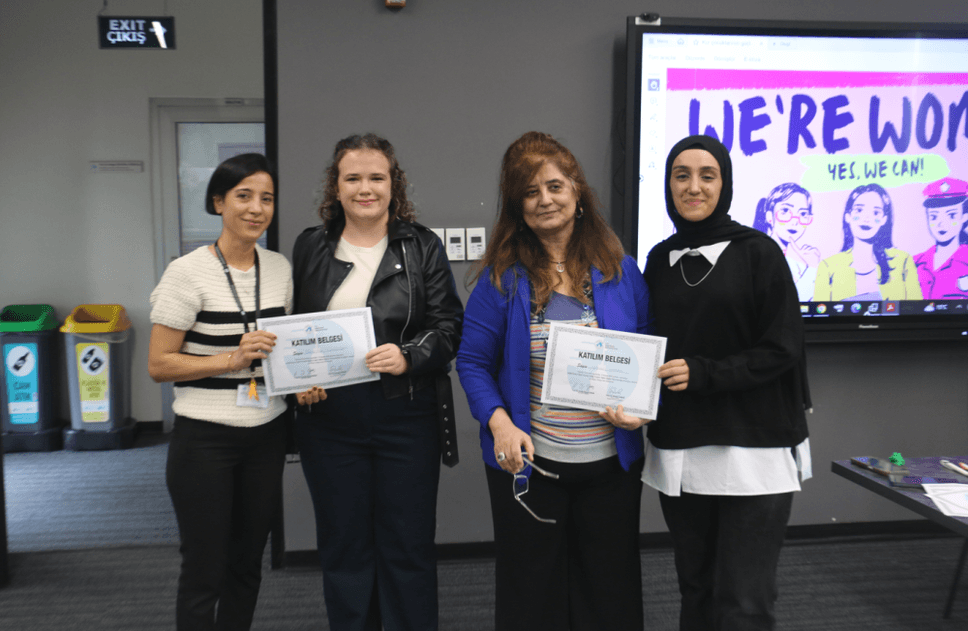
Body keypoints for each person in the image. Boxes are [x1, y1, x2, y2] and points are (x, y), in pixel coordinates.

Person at [456, 131, 650, 631]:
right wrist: (499, 424)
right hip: (532, 468)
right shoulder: (503, 279)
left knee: (609, 594)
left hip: (611, 466)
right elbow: (472, 362)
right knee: (532, 597)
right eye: (529, 192)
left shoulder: (621, 271)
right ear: (517, 207)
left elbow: (646, 354)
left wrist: (638, 406)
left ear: (577, 191)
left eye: (555, 186)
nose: (544, 200)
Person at [291, 133, 463, 631]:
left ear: (393, 184)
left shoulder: (422, 246)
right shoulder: (310, 245)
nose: (365, 188)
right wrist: (298, 380)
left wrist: (409, 356)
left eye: (376, 178)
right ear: (337, 187)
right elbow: (292, 329)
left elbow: (450, 328)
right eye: (353, 178)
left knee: (406, 546)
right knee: (344, 546)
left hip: (405, 417)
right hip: (329, 421)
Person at [642, 135, 812, 631]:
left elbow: (783, 347)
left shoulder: (759, 253)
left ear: (726, 183)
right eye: (681, 175)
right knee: (696, 590)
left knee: (743, 601)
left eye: (707, 175)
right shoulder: (657, 259)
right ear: (669, 185)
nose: (693, 187)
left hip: (751, 450)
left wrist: (706, 372)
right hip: (681, 451)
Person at [148, 153, 292, 631]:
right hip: (204, 440)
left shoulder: (278, 268)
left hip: (267, 433)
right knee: (204, 568)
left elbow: (284, 348)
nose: (256, 208)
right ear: (218, 202)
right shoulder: (186, 273)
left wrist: (303, 378)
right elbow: (158, 364)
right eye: (243, 196)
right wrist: (229, 359)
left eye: (266, 198)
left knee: (247, 563)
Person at [813, 183, 921, 301]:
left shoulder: (903, 261)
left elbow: (915, 309)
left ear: (884, 219)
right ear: (848, 216)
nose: (866, 218)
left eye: (875, 212)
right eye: (859, 210)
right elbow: (820, 312)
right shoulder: (828, 267)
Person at [752, 182, 819, 301]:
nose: (795, 221)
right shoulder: (756, 255)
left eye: (803, 214)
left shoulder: (801, 261)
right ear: (769, 216)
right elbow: (785, 304)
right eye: (785, 211)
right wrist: (812, 269)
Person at [913, 177, 968, 299]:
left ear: (964, 216)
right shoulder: (914, 263)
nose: (941, 224)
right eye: (934, 216)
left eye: (951, 215)